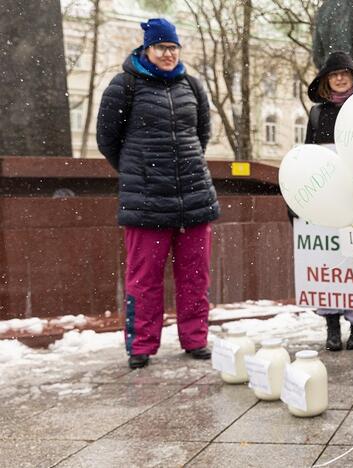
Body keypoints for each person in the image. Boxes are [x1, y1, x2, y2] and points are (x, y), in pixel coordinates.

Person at [96, 18, 218, 369]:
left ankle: (195, 339)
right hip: (146, 201)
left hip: (194, 196)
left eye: (173, 48)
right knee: (144, 279)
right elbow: (108, 140)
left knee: (195, 276)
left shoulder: (191, 86)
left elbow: (201, 135)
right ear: (146, 49)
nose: (168, 54)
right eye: (162, 47)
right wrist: (141, 170)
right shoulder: (124, 86)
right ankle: (141, 346)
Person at [305, 51, 353, 352]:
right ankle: (331, 324)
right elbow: (307, 156)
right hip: (324, 195)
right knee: (326, 260)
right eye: (334, 74)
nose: (340, 78)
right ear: (326, 81)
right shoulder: (318, 113)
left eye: (345, 73)